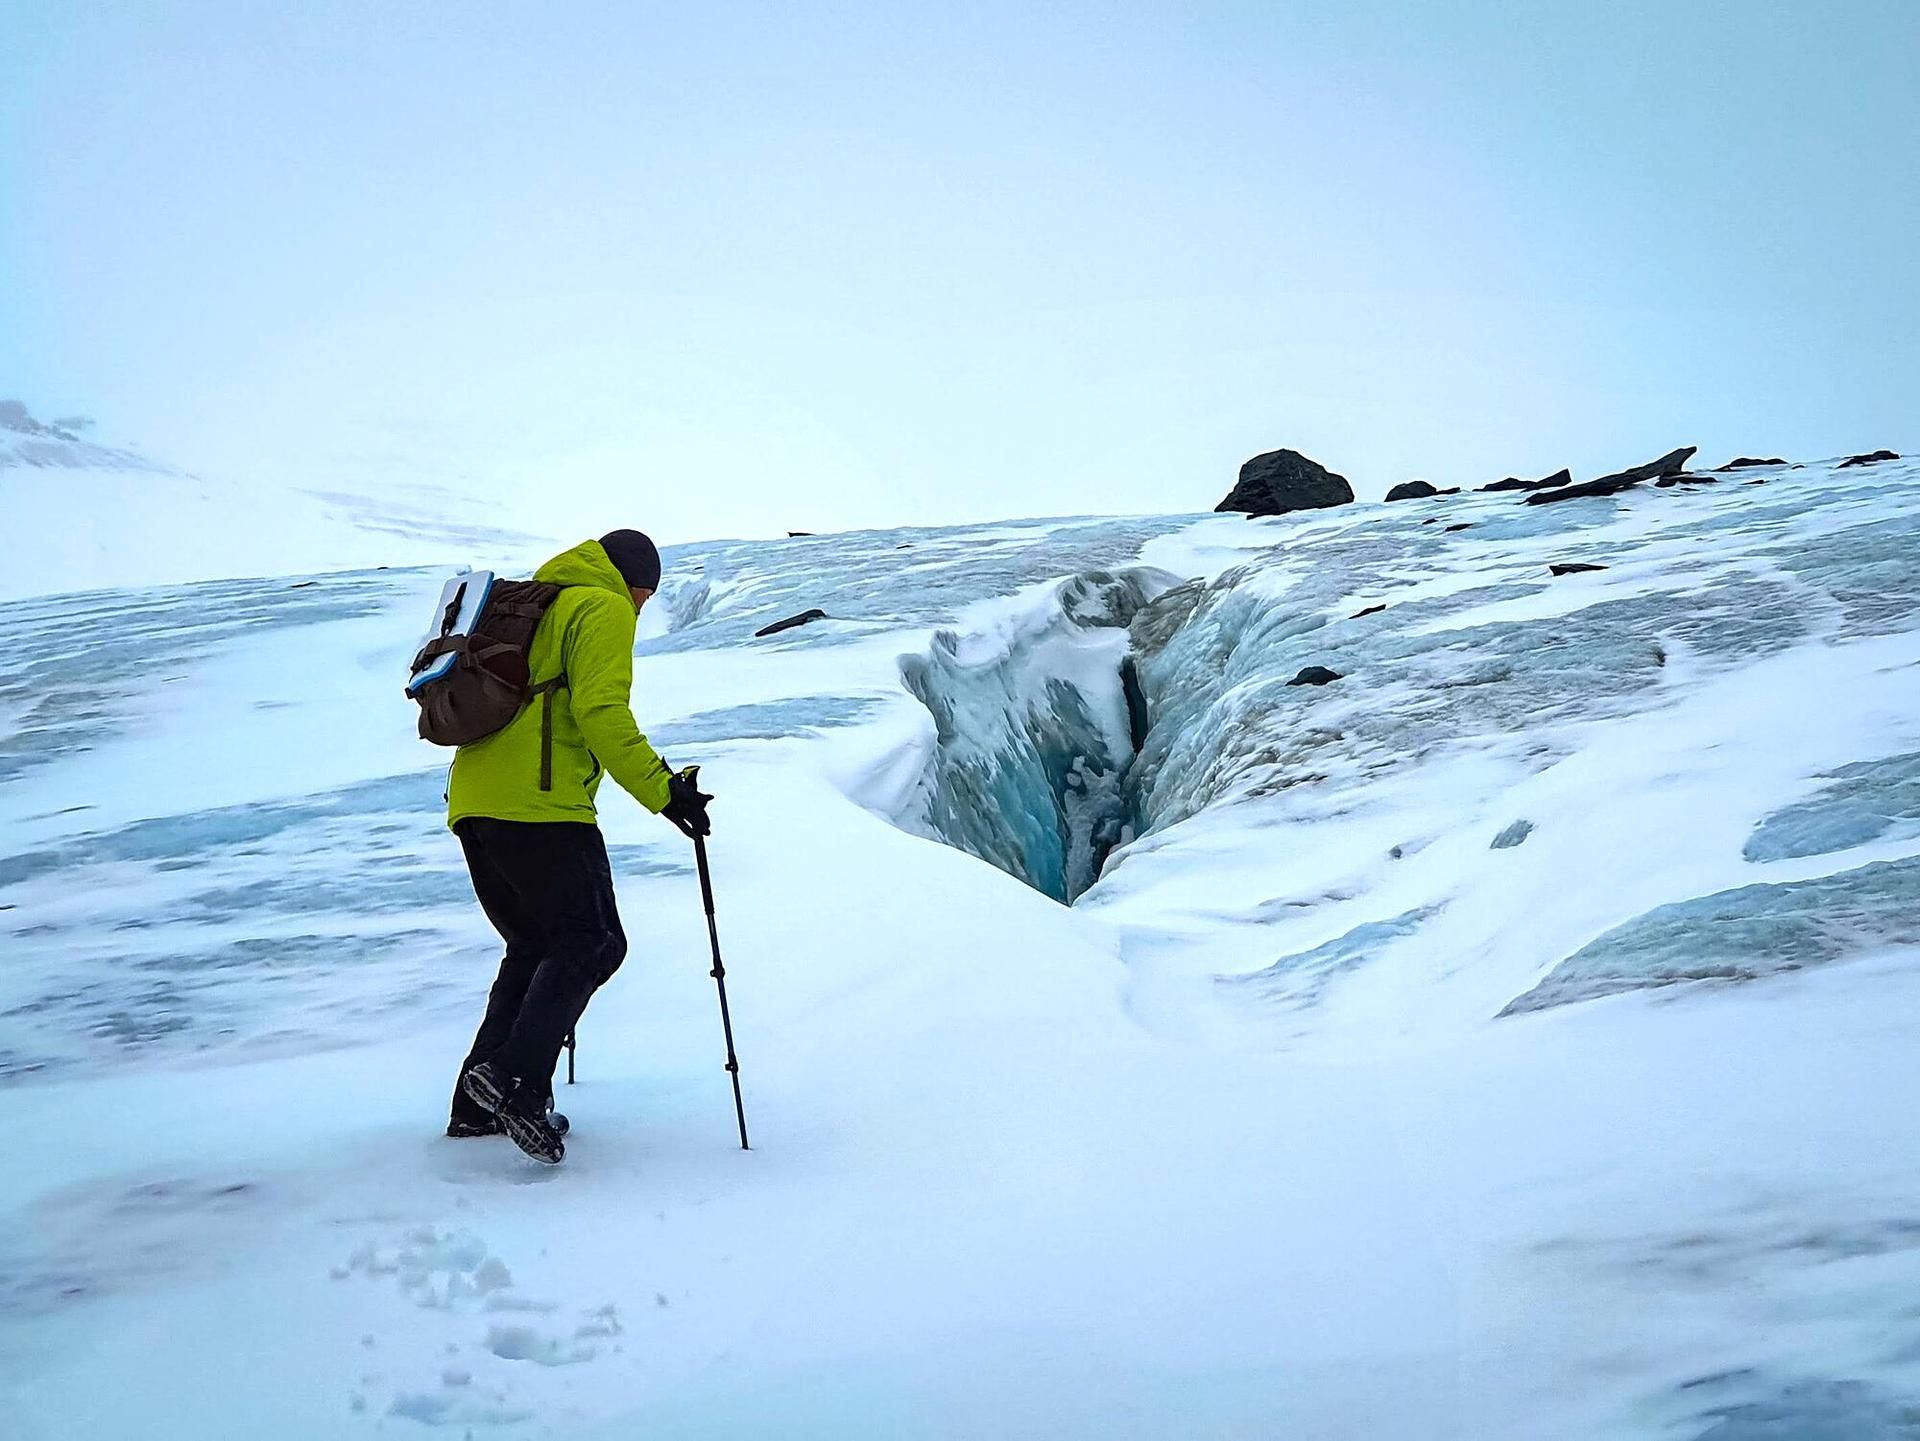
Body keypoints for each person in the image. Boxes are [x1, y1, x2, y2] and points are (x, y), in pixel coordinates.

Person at [445, 528, 712, 1164]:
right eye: (645, 599)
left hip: (475, 804)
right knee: (594, 941)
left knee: (536, 945)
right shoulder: (601, 604)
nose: (641, 611)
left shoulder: (541, 601)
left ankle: (474, 1105)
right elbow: (601, 711)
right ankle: (514, 1081)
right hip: (541, 807)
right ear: (634, 583)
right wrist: (665, 792)